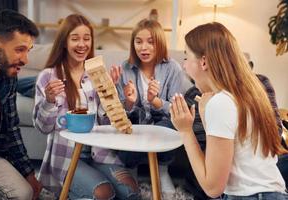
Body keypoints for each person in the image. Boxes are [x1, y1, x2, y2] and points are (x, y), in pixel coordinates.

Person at [170, 22, 288, 199]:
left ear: (203, 62)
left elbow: (212, 188)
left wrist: (186, 132)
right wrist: (206, 116)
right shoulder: (251, 94)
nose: (184, 66)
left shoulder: (221, 103)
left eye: (186, 57)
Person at [33, 14, 139, 200]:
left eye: (86, 38)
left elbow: (107, 122)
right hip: (66, 157)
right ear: (64, 42)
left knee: (131, 191)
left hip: (100, 153)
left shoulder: (96, 74)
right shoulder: (48, 76)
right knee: (104, 194)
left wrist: (115, 96)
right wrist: (49, 100)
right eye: (75, 38)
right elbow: (43, 128)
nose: (82, 44)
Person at [110, 18, 191, 196]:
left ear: (160, 43)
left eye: (150, 42)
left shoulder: (172, 68)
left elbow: (175, 108)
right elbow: (120, 111)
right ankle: (131, 170)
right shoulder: (126, 68)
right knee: (127, 128)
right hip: (136, 121)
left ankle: (162, 171)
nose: (143, 48)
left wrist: (155, 101)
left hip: (162, 120)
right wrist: (130, 102)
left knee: (168, 126)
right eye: (138, 42)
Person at [0, 9, 42, 200]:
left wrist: (29, 173)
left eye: (28, 51)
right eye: (19, 50)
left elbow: (11, 129)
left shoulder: (7, 77)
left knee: (24, 193)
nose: (25, 60)